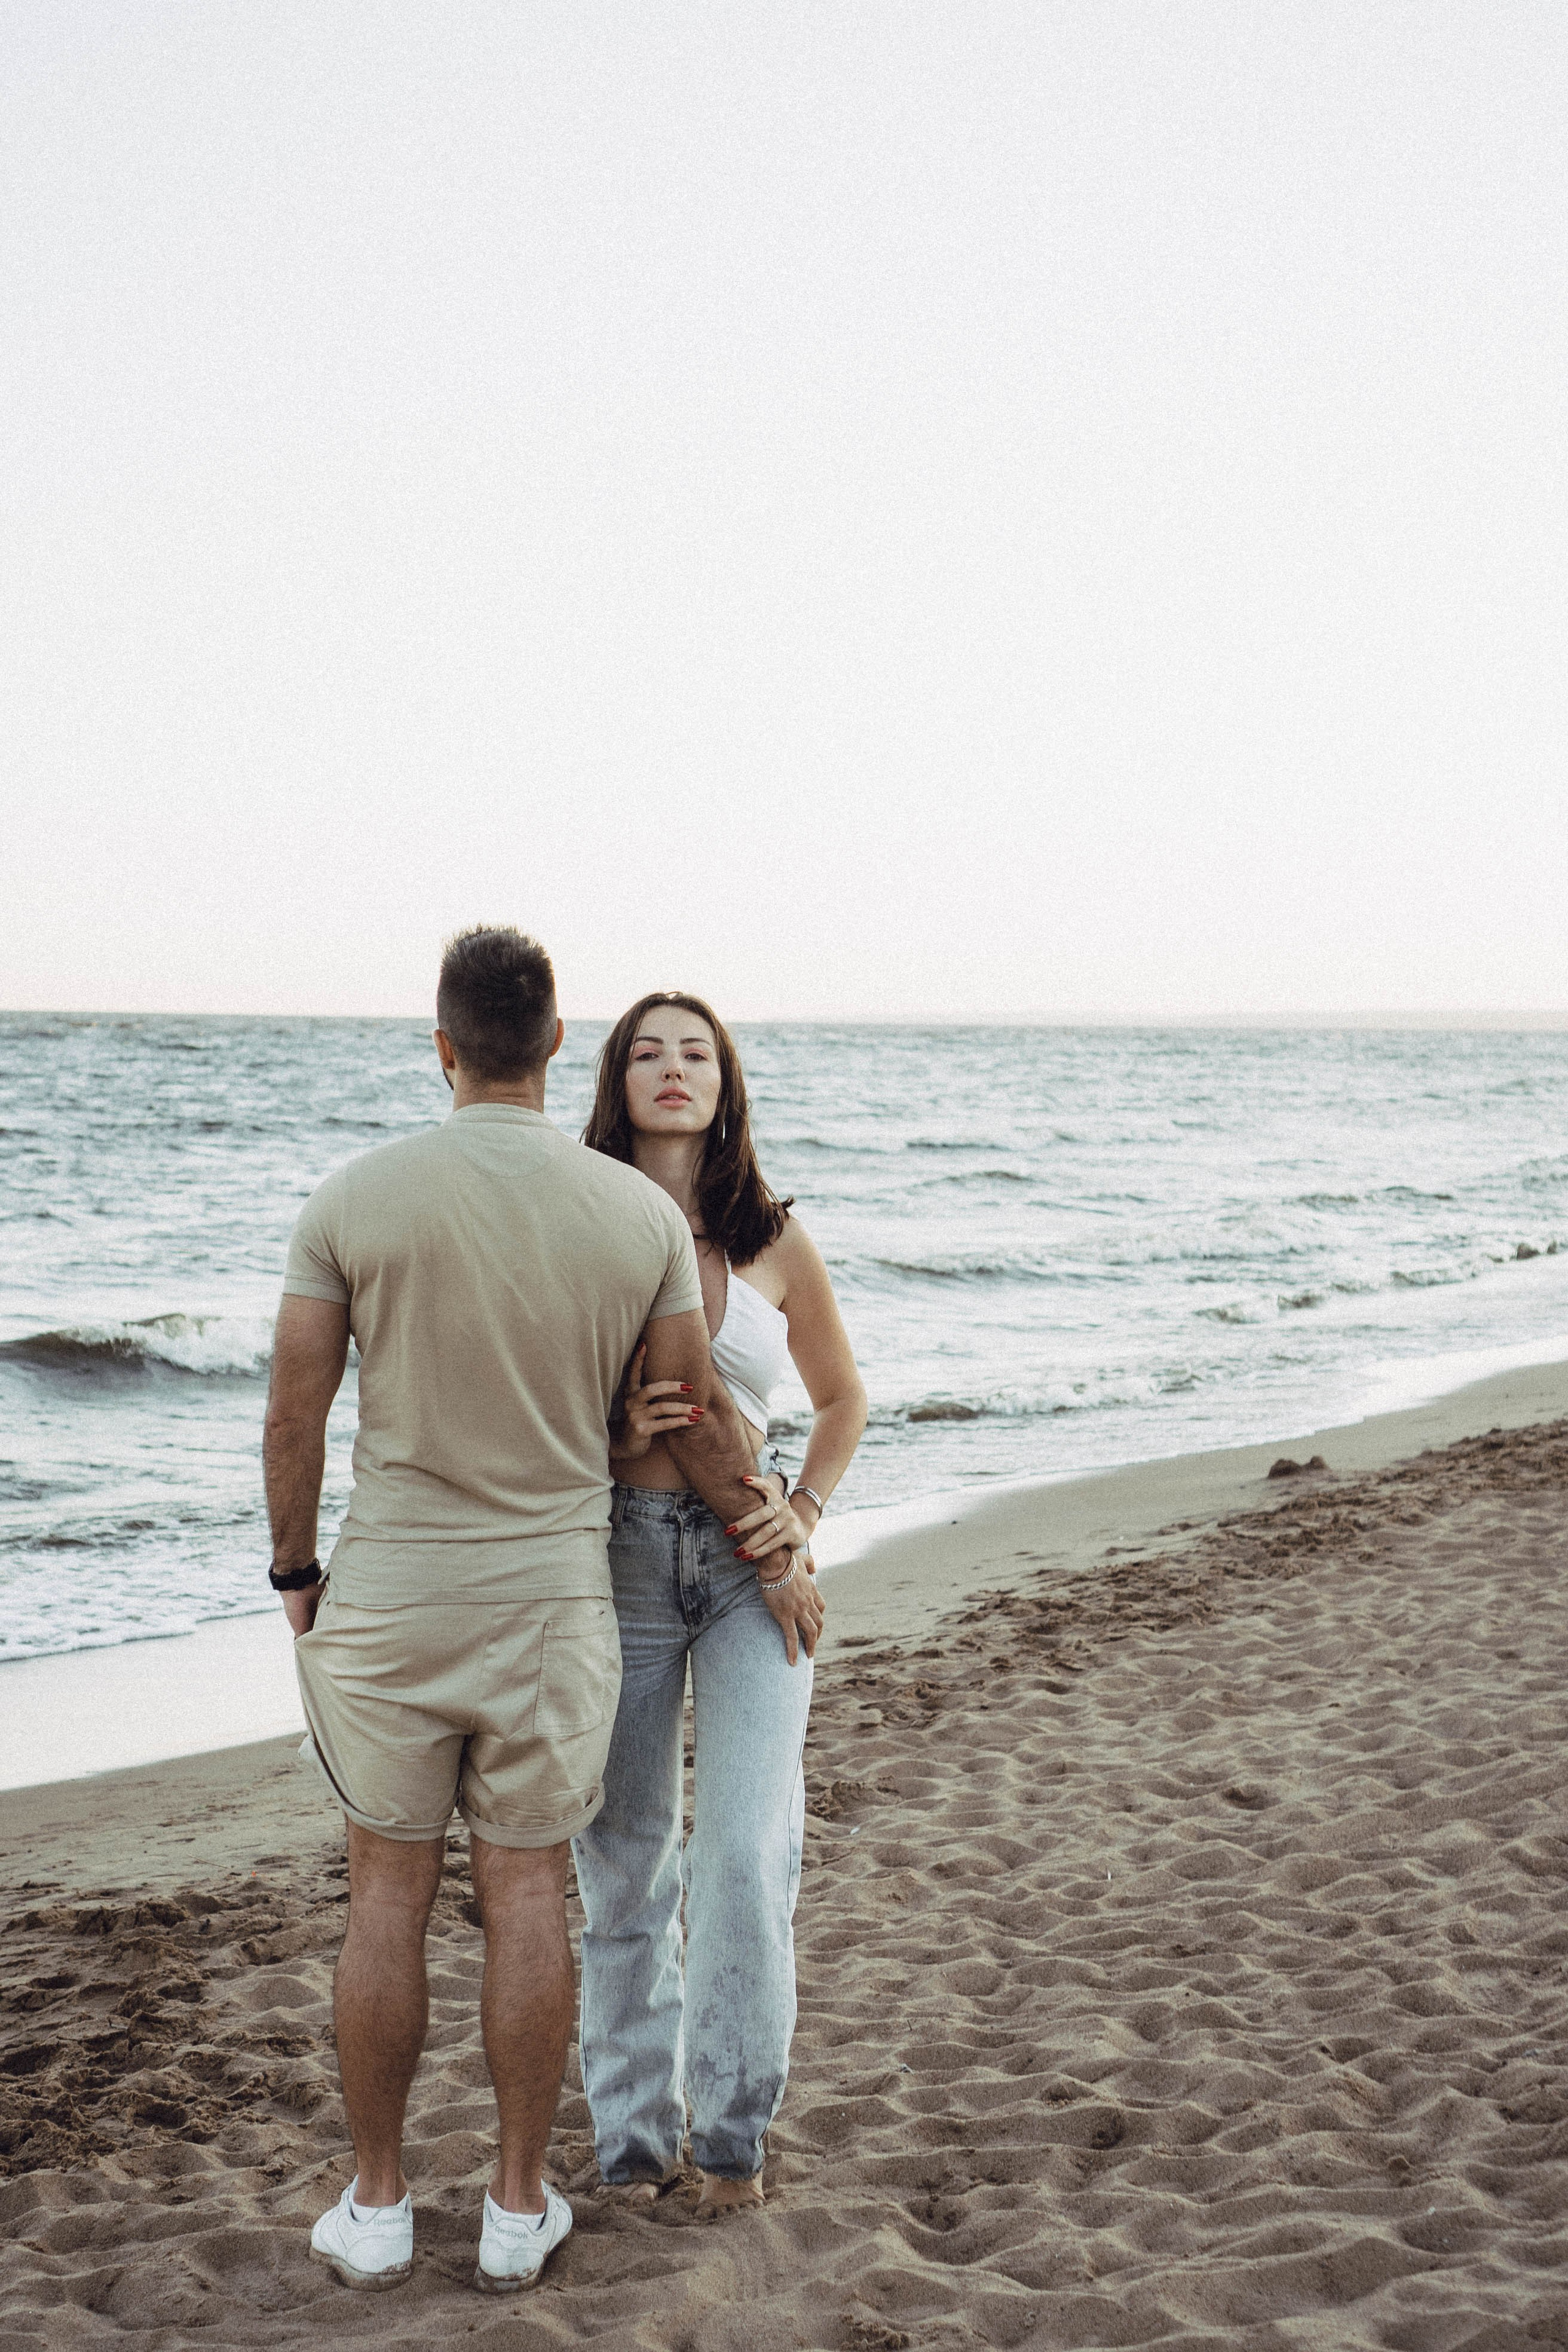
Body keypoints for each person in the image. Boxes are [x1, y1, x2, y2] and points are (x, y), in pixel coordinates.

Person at [263, 930, 787, 2295]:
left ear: (440, 1047)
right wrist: (773, 1540)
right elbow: (695, 1414)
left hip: (390, 1603)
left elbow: (295, 1412)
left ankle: (375, 2207)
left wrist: (294, 1575)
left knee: (386, 1889)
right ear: (560, 1046)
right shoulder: (630, 1218)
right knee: (528, 1891)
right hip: (553, 1603)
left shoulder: (352, 1198)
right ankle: (513, 2206)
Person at [574, 990, 867, 2213]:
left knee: (746, 1852)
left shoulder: (771, 1238)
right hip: (623, 1564)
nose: (672, 1068)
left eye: (694, 1052)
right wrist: (610, 1426)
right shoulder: (577, 1222)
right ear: (617, 1081)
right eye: (647, 1052)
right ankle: (635, 2149)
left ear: (724, 1081)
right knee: (625, 1865)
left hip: (753, 1572)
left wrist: (798, 1515)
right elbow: (525, 1401)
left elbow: (843, 1399)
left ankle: (733, 2138)